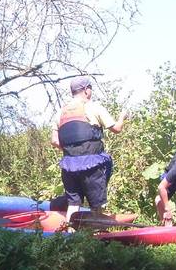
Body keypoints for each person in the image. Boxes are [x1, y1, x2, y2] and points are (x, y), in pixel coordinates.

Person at [49, 75, 128, 217]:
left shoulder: (60, 112)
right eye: (90, 88)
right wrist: (122, 117)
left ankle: (68, 234)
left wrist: (71, 151)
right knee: (96, 204)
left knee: (73, 204)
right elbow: (116, 129)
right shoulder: (94, 107)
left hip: (68, 165)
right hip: (92, 166)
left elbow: (55, 141)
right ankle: (96, 233)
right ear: (86, 90)